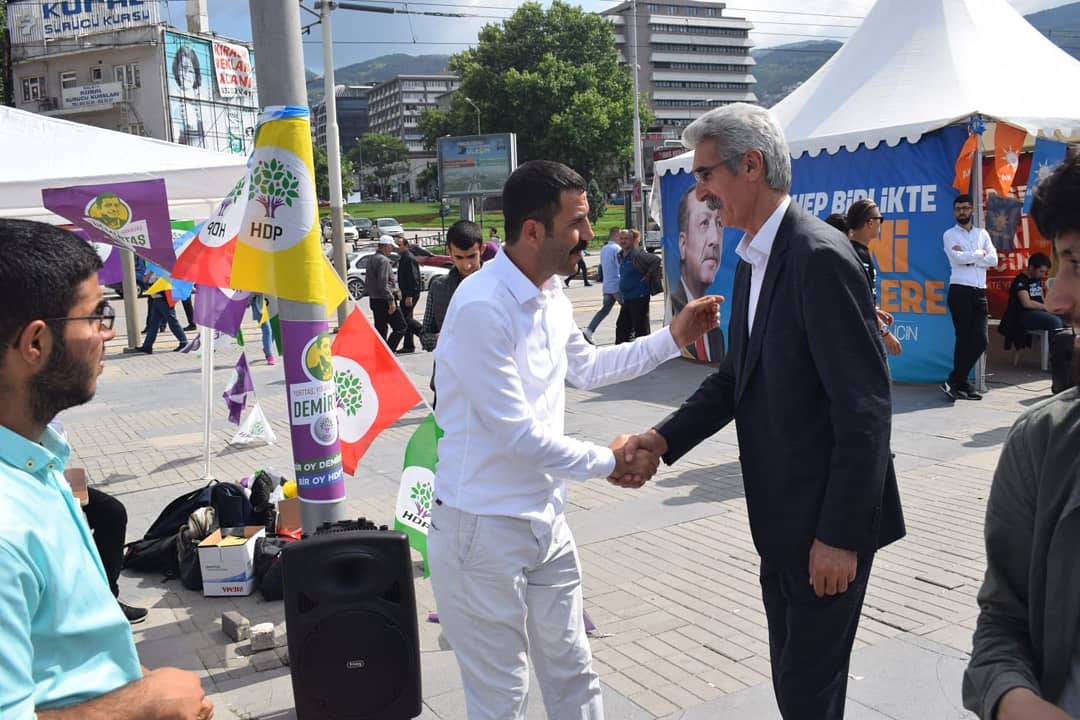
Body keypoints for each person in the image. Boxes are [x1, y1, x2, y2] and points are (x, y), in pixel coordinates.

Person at [619, 104, 905, 720]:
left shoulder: (819, 257)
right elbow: (734, 380)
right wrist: (661, 439)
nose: (700, 190)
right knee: (794, 685)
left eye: (706, 174)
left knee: (807, 693)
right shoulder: (754, 259)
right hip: (781, 523)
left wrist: (839, 536)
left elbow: (866, 408)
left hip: (825, 531)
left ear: (751, 166)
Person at [428, 160, 720, 720]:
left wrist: (671, 338)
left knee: (574, 671)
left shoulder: (552, 292)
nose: (590, 234)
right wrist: (607, 459)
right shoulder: (482, 308)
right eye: (579, 223)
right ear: (533, 231)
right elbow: (519, 437)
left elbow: (585, 367)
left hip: (545, 522)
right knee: (501, 696)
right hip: (480, 530)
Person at [0, 219, 212, 718]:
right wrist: (144, 703)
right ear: (35, 343)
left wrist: (131, 681)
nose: (108, 332)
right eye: (97, 315)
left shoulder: (37, 462)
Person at [961, 152, 1080, 720]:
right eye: (1059, 265)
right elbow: (1002, 623)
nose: (1059, 296)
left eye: (1077, 265)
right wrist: (1013, 699)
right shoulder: (1044, 442)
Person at [942, 193, 998, 401]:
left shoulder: (982, 234)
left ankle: (956, 380)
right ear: (955, 211)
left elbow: (993, 258)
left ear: (972, 211)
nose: (962, 212)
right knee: (964, 338)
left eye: (965, 208)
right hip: (960, 290)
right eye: (958, 209)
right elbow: (957, 259)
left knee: (981, 340)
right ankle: (961, 383)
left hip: (979, 291)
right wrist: (979, 254)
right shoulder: (950, 235)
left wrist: (971, 255)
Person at [670, 186, 726, 362]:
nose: (715, 239)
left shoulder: (714, 331)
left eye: (719, 224)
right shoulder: (674, 309)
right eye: (704, 223)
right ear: (683, 244)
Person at [845, 199, 902, 356]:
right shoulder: (857, 254)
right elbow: (858, 300)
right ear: (870, 223)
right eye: (880, 219)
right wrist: (884, 332)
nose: (881, 224)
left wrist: (875, 311)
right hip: (856, 333)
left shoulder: (855, 251)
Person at [420, 220, 483, 354]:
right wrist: (442, 339)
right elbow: (425, 336)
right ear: (450, 252)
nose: (466, 265)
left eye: (471, 257)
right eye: (459, 257)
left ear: (481, 250)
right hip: (447, 371)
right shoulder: (439, 287)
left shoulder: (497, 285)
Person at [998, 252, 1065, 352]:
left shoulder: (1036, 279)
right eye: (1041, 271)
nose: (1043, 274)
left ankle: (1066, 352)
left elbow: (1041, 298)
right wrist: (1046, 308)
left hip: (1039, 312)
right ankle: (1056, 355)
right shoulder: (1021, 281)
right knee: (1055, 321)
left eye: (1045, 272)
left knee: (1065, 317)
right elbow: (1026, 303)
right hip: (1024, 315)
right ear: (1031, 267)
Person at [582, 226, 623, 343]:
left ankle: (589, 331)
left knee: (604, 310)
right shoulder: (617, 249)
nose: (621, 239)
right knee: (628, 308)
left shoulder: (604, 248)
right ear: (615, 235)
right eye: (620, 236)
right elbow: (620, 266)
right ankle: (628, 332)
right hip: (616, 284)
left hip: (607, 285)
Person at [135, 265, 187, 354]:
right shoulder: (151, 266)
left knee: (172, 320)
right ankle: (147, 346)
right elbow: (145, 280)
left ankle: (184, 342)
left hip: (164, 297)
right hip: (155, 296)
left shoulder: (165, 266)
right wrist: (151, 271)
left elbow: (168, 281)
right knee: (153, 323)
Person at [367, 235, 407, 349]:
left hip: (374, 299)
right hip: (385, 300)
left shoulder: (371, 259)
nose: (392, 249)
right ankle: (389, 351)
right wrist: (391, 301)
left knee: (380, 329)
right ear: (386, 246)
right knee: (401, 326)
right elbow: (383, 283)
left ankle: (380, 353)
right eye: (391, 247)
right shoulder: (383, 261)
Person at [615, 228, 653, 343]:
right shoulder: (621, 255)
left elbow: (655, 261)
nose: (623, 241)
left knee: (641, 330)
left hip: (639, 297)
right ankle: (621, 354)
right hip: (627, 298)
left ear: (632, 240)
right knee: (622, 328)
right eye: (621, 238)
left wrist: (647, 278)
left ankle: (646, 356)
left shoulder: (637, 254)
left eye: (626, 238)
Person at [394, 236, 424, 354]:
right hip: (406, 293)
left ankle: (424, 334)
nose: (397, 248)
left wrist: (410, 296)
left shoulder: (409, 258)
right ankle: (408, 345)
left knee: (405, 319)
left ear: (406, 246)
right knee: (407, 318)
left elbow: (414, 278)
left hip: (410, 294)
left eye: (399, 245)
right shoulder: (403, 258)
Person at [249, 293, 275, 365]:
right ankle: (269, 355)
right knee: (267, 329)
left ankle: (267, 348)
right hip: (259, 305)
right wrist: (254, 293)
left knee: (275, 329)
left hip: (273, 302)